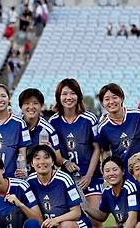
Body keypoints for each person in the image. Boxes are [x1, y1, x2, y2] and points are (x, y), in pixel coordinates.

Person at [48, 79, 102, 228]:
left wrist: (89, 175)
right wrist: (65, 161)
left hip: (91, 176)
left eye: (72, 93)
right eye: (64, 93)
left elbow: (97, 148)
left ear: (78, 96)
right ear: (59, 97)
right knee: (72, 221)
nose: (68, 97)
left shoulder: (89, 118)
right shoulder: (53, 122)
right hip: (68, 179)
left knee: (95, 220)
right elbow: (53, 152)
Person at [27, 144, 92, 228]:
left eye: (46, 157)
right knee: (30, 223)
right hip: (48, 224)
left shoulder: (64, 179)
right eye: (37, 158)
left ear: (53, 162)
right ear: (32, 163)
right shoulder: (30, 181)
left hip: (74, 223)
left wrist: (56, 220)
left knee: (65, 226)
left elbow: (76, 213)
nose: (42, 162)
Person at [82, 156, 140, 228]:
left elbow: (132, 219)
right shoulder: (107, 191)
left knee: (139, 226)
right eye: (107, 171)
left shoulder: (130, 188)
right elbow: (102, 216)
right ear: (103, 174)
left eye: (115, 169)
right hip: (124, 225)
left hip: (139, 225)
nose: (111, 173)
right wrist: (85, 207)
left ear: (123, 171)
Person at [0, 84, 30, 178]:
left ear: (9, 98)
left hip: (9, 179)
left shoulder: (19, 123)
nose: (0, 100)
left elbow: (22, 153)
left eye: (3, 96)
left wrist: (22, 170)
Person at [97, 83, 140, 165]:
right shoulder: (103, 127)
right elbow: (106, 151)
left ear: (122, 98)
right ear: (102, 103)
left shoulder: (137, 115)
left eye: (115, 97)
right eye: (107, 99)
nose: (111, 102)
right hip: (122, 172)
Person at [0, 155, 43, 224]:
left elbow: (39, 220)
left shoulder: (21, 186)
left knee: (32, 224)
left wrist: (20, 204)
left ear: (3, 170)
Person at [18, 88, 63, 165]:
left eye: (35, 103)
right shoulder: (14, 125)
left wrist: (51, 150)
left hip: (39, 175)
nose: (31, 107)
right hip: (16, 175)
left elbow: (59, 161)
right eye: (27, 103)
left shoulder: (49, 130)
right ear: (21, 107)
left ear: (41, 106)